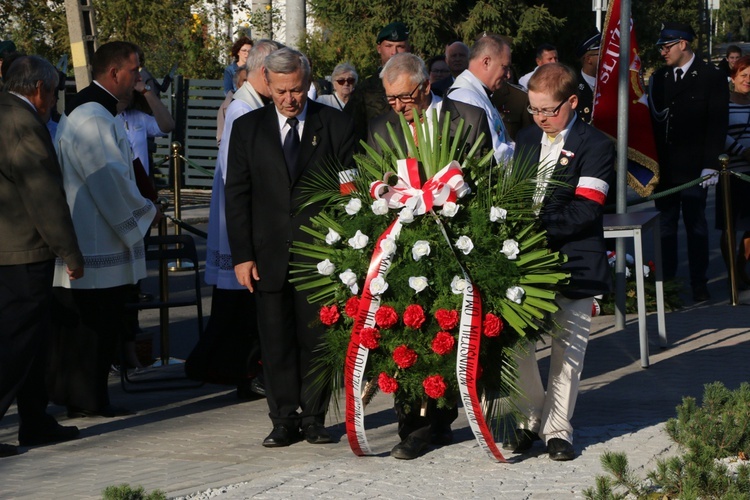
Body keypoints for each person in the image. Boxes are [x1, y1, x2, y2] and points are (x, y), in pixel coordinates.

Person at [225, 47, 356, 447]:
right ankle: (283, 418)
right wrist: (242, 255)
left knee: (315, 338)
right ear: (266, 82)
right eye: (281, 91)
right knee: (275, 339)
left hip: (319, 255)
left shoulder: (333, 125)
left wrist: (345, 253)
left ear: (308, 81)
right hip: (268, 255)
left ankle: (314, 417)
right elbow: (237, 195)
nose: (289, 99)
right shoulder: (248, 129)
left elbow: (349, 193)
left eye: (296, 89)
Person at [366, 52, 489, 460]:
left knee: (444, 332)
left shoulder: (467, 119)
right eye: (391, 100)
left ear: (424, 87)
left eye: (404, 98)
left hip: (455, 243)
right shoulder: (384, 126)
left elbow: (484, 181)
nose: (398, 107)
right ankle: (411, 425)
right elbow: (376, 181)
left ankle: (439, 419)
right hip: (402, 246)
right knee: (402, 329)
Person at [50, 41, 160, 418]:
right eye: (134, 70)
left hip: (96, 238)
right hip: (96, 242)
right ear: (114, 73)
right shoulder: (93, 116)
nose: (138, 78)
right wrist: (145, 212)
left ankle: (84, 398)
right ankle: (87, 400)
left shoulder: (96, 111)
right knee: (92, 328)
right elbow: (108, 180)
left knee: (94, 326)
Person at [511, 62, 614, 461]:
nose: (540, 119)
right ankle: (528, 418)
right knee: (517, 344)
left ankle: (558, 430)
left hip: (575, 259)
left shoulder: (597, 145)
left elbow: (586, 210)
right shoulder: (525, 138)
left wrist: (534, 228)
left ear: (572, 102)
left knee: (567, 349)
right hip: (524, 261)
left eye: (548, 111)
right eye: (533, 110)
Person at [188, 39, 283, 398]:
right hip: (243, 222)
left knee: (240, 306)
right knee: (239, 307)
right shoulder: (244, 111)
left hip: (244, 220)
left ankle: (237, 369)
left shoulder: (251, 104)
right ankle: (233, 369)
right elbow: (239, 174)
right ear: (264, 72)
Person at [0, 55, 84, 458]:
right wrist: (69, 251)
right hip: (20, 252)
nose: (52, 101)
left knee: (31, 339)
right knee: (16, 343)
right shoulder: (23, 123)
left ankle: (35, 419)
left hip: (8, 247)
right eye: (52, 93)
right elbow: (44, 196)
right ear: (39, 90)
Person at [648, 22, 729, 302]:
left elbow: (717, 123)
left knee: (696, 227)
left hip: (696, 168)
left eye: (667, 46)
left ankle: (699, 283)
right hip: (665, 170)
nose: (662, 52)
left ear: (683, 44)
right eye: (661, 46)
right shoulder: (658, 78)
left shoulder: (711, 76)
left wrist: (711, 163)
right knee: (666, 228)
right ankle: (667, 285)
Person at [444, 33, 513, 162]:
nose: (508, 75)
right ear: (486, 62)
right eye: (505, 67)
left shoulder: (478, 94)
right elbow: (490, 153)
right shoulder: (466, 99)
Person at [343, 21, 410, 143]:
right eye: (388, 46)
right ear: (379, 48)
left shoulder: (418, 84)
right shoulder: (365, 90)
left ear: (408, 48)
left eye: (400, 46)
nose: (394, 52)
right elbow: (351, 131)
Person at [718, 55, 750, 286]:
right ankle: (732, 273)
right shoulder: (723, 102)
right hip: (732, 173)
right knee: (730, 226)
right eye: (744, 75)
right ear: (733, 77)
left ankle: (741, 264)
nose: (748, 80)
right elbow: (719, 133)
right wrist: (742, 151)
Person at [216, 66, 247, 146]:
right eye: (244, 81)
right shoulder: (225, 107)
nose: (247, 84)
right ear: (237, 84)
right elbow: (221, 139)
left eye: (249, 81)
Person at [575, 30, 601, 124]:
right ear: (588, 59)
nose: (605, 58)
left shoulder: (613, 85)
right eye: (600, 54)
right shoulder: (573, 87)